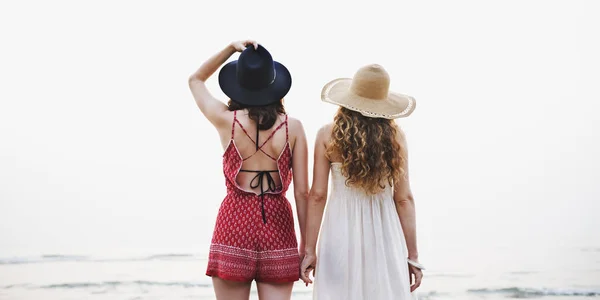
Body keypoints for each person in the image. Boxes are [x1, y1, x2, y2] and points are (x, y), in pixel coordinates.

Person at [188, 40, 309, 300]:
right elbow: (303, 194)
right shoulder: (293, 128)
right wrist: (308, 247)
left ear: (238, 84)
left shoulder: (225, 120)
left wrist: (230, 49)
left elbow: (196, 80)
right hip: (278, 224)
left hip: (234, 221)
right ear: (274, 86)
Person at [300, 64, 423, 299]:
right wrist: (413, 255)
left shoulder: (327, 135)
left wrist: (309, 250)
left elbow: (317, 195)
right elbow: (404, 199)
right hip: (385, 236)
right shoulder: (396, 139)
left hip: (339, 232)